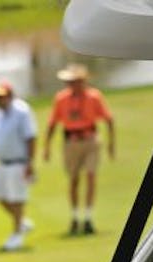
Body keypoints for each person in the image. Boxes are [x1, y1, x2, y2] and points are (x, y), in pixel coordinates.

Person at [43, 62, 115, 236]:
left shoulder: (94, 97)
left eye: (75, 81)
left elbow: (108, 120)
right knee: (74, 180)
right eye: (70, 82)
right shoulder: (61, 99)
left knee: (91, 176)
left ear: (83, 81)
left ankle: (88, 218)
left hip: (90, 140)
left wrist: (112, 144)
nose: (72, 85)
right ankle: (75, 217)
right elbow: (52, 124)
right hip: (71, 142)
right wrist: (47, 146)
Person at [0, 80, 37, 250]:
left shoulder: (22, 111)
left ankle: (17, 236)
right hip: (2, 163)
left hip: (19, 162)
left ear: (10, 96)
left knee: (17, 200)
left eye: (1, 97)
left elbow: (31, 138)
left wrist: (30, 163)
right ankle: (21, 222)